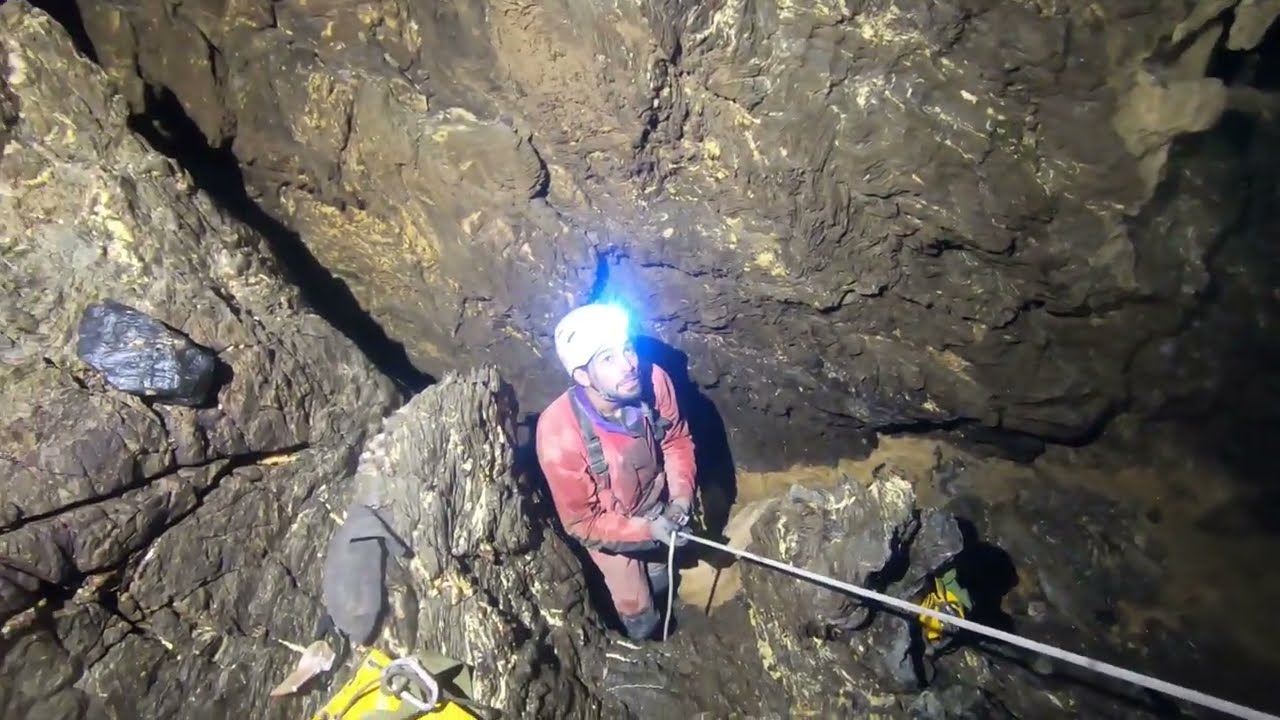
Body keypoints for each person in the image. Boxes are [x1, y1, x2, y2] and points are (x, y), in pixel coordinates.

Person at [535, 302, 697, 640]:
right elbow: (582, 522)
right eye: (607, 358)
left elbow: (676, 441)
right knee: (637, 606)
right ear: (582, 376)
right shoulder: (559, 432)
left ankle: (666, 607)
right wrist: (648, 529)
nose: (629, 365)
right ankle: (647, 643)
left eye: (627, 349)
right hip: (610, 532)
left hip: (659, 507)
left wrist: (681, 500)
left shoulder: (653, 381)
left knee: (660, 575)